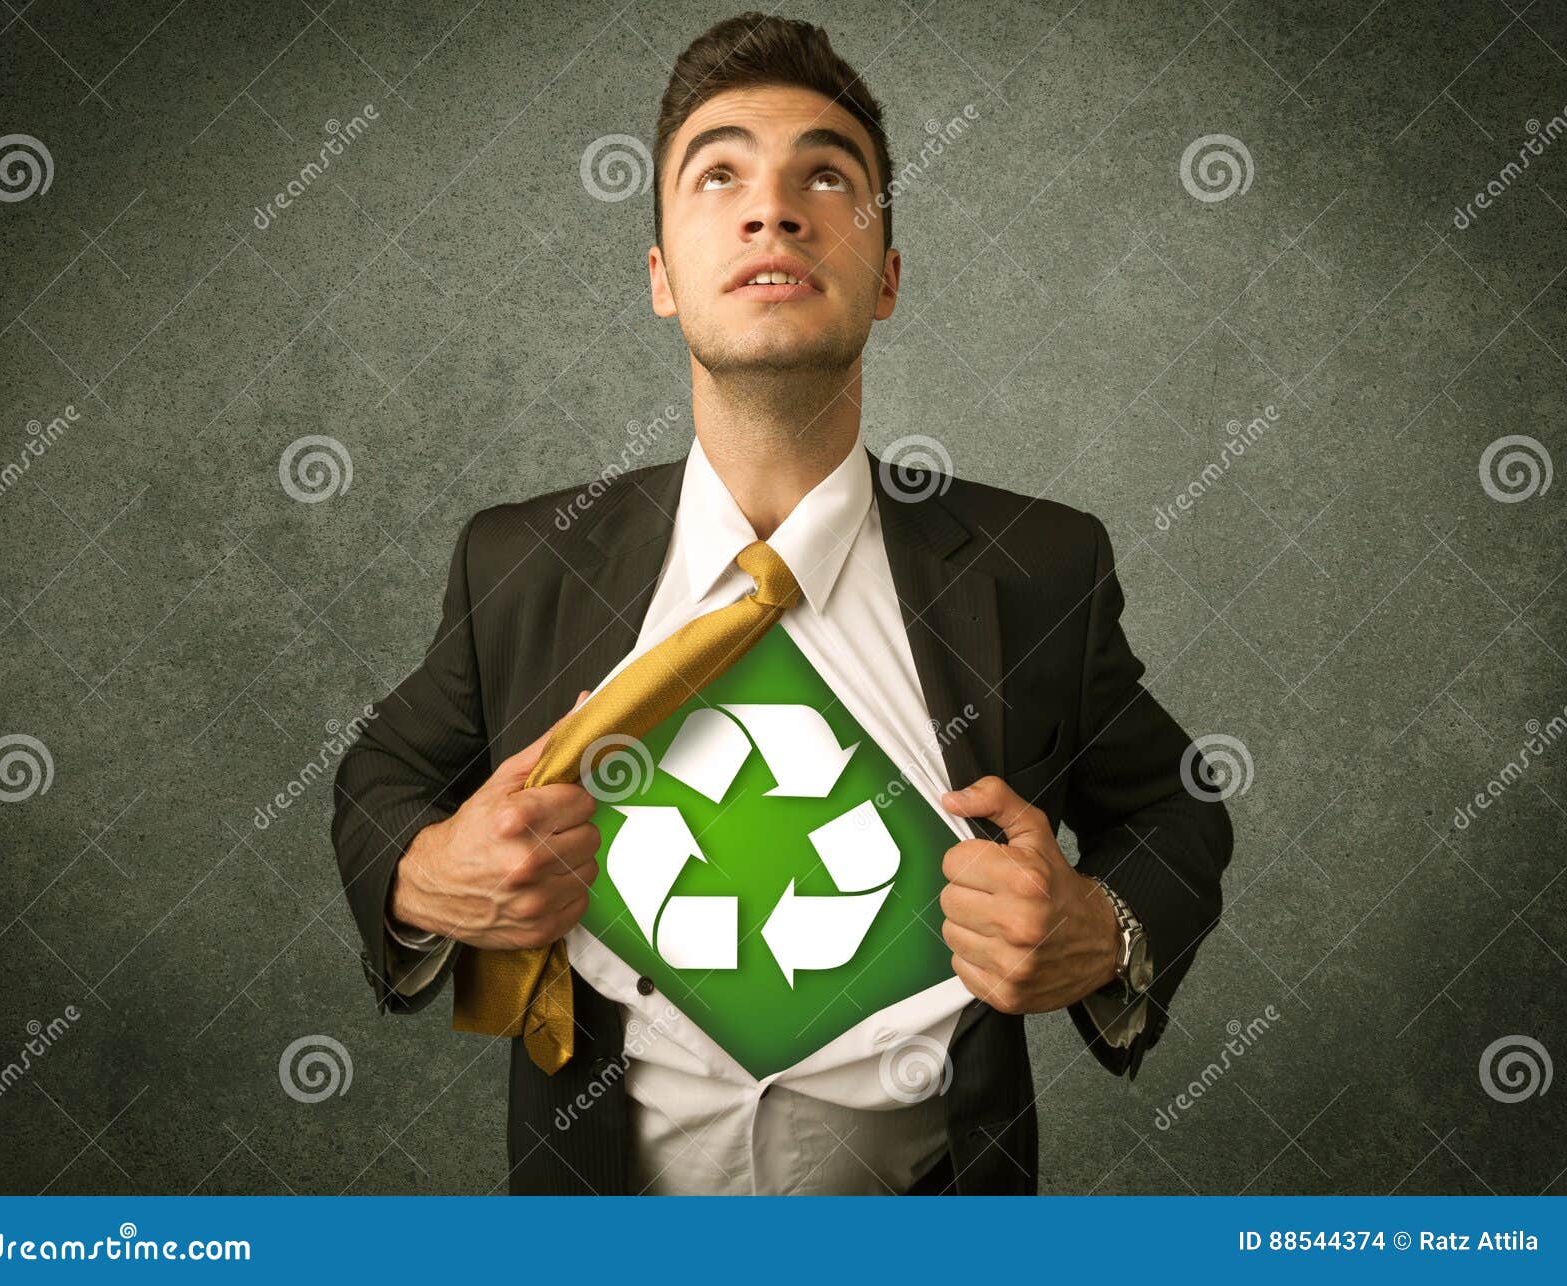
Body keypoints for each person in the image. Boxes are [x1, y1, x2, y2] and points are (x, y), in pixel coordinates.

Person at [332, 11, 1233, 1195]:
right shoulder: (521, 562)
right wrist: (421, 873)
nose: (773, 208)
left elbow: (1173, 806)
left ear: (888, 274)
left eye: (826, 174)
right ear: (659, 276)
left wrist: (1103, 928)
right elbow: (378, 776)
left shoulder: (1037, 567)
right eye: (718, 174)